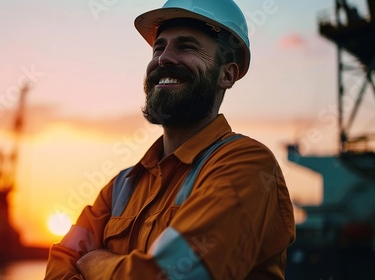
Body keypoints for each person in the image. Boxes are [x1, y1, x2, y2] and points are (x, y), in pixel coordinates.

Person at [45, 0, 295, 279]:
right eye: (158, 47)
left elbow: (172, 276)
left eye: (186, 46)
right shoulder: (119, 188)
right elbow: (59, 263)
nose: (163, 58)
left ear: (227, 74)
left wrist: (93, 262)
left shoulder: (247, 166)